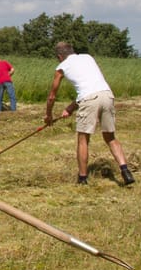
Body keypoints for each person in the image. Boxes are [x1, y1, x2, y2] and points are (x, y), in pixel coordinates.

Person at [44, 42, 135, 186]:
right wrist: (71, 108)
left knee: (83, 139)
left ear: (59, 57)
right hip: (107, 95)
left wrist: (48, 116)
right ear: (72, 51)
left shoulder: (61, 67)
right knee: (110, 137)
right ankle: (125, 170)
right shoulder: (88, 57)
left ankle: (82, 178)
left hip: (89, 99)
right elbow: (91, 86)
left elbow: (52, 96)